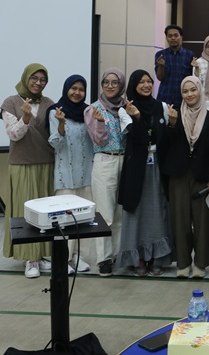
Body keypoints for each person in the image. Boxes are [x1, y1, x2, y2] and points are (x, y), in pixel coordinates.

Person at [162, 77, 209, 279]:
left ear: (200, 90)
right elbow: (167, 146)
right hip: (179, 175)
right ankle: (183, 263)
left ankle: (200, 264)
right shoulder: (175, 115)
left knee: (203, 221)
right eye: (185, 91)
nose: (189, 94)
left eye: (193, 90)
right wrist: (171, 125)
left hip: (202, 176)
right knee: (180, 220)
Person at [117, 70, 173, 277]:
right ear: (134, 85)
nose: (146, 85)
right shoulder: (125, 111)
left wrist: (172, 123)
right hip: (136, 167)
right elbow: (138, 138)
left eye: (149, 81)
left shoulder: (162, 107)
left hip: (158, 166)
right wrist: (138, 117)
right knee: (136, 211)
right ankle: (138, 257)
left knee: (158, 210)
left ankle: (158, 257)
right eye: (141, 82)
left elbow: (165, 138)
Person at [0, 64, 55, 279]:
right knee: (26, 213)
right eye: (34, 78)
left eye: (42, 79)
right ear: (25, 78)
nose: (38, 83)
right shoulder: (11, 102)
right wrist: (24, 118)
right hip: (22, 165)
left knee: (45, 215)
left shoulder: (49, 104)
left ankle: (42, 255)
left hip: (46, 164)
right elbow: (14, 135)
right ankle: (30, 258)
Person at [47, 74, 94, 275]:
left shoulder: (88, 112)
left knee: (83, 218)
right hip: (65, 174)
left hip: (87, 174)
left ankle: (78, 256)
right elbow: (56, 144)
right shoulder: (55, 112)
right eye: (73, 88)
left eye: (81, 89)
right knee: (64, 220)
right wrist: (60, 124)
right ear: (66, 89)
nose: (77, 92)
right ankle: (62, 258)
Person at [84, 68, 126, 277]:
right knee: (105, 214)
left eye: (114, 82)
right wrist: (100, 122)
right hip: (104, 160)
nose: (110, 86)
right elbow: (99, 140)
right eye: (106, 82)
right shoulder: (93, 109)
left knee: (120, 214)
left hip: (125, 160)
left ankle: (117, 254)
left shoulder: (126, 107)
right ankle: (104, 259)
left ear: (121, 85)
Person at [155, 25, 195, 108]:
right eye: (170, 36)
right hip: (164, 96)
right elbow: (160, 78)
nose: (173, 38)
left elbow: (193, 79)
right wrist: (161, 66)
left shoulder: (189, 55)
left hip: (183, 98)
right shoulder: (160, 55)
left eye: (176, 35)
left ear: (181, 37)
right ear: (166, 38)